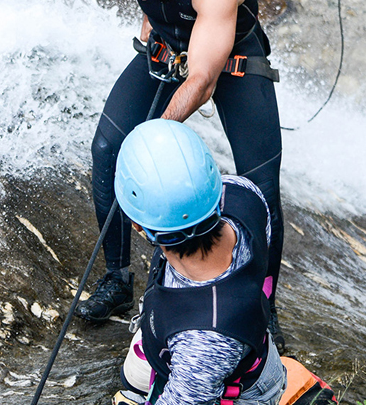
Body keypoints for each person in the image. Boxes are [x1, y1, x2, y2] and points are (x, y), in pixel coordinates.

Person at [75, 0, 287, 353]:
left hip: (230, 61)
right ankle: (117, 278)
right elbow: (149, 5)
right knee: (107, 149)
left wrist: (155, 133)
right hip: (171, 46)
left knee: (261, 183)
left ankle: (262, 306)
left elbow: (204, 80)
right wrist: (152, 32)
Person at [110, 119, 287, 405]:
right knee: (134, 378)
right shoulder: (242, 193)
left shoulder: (204, 342)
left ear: (138, 226)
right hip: (184, 336)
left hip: (226, 385)